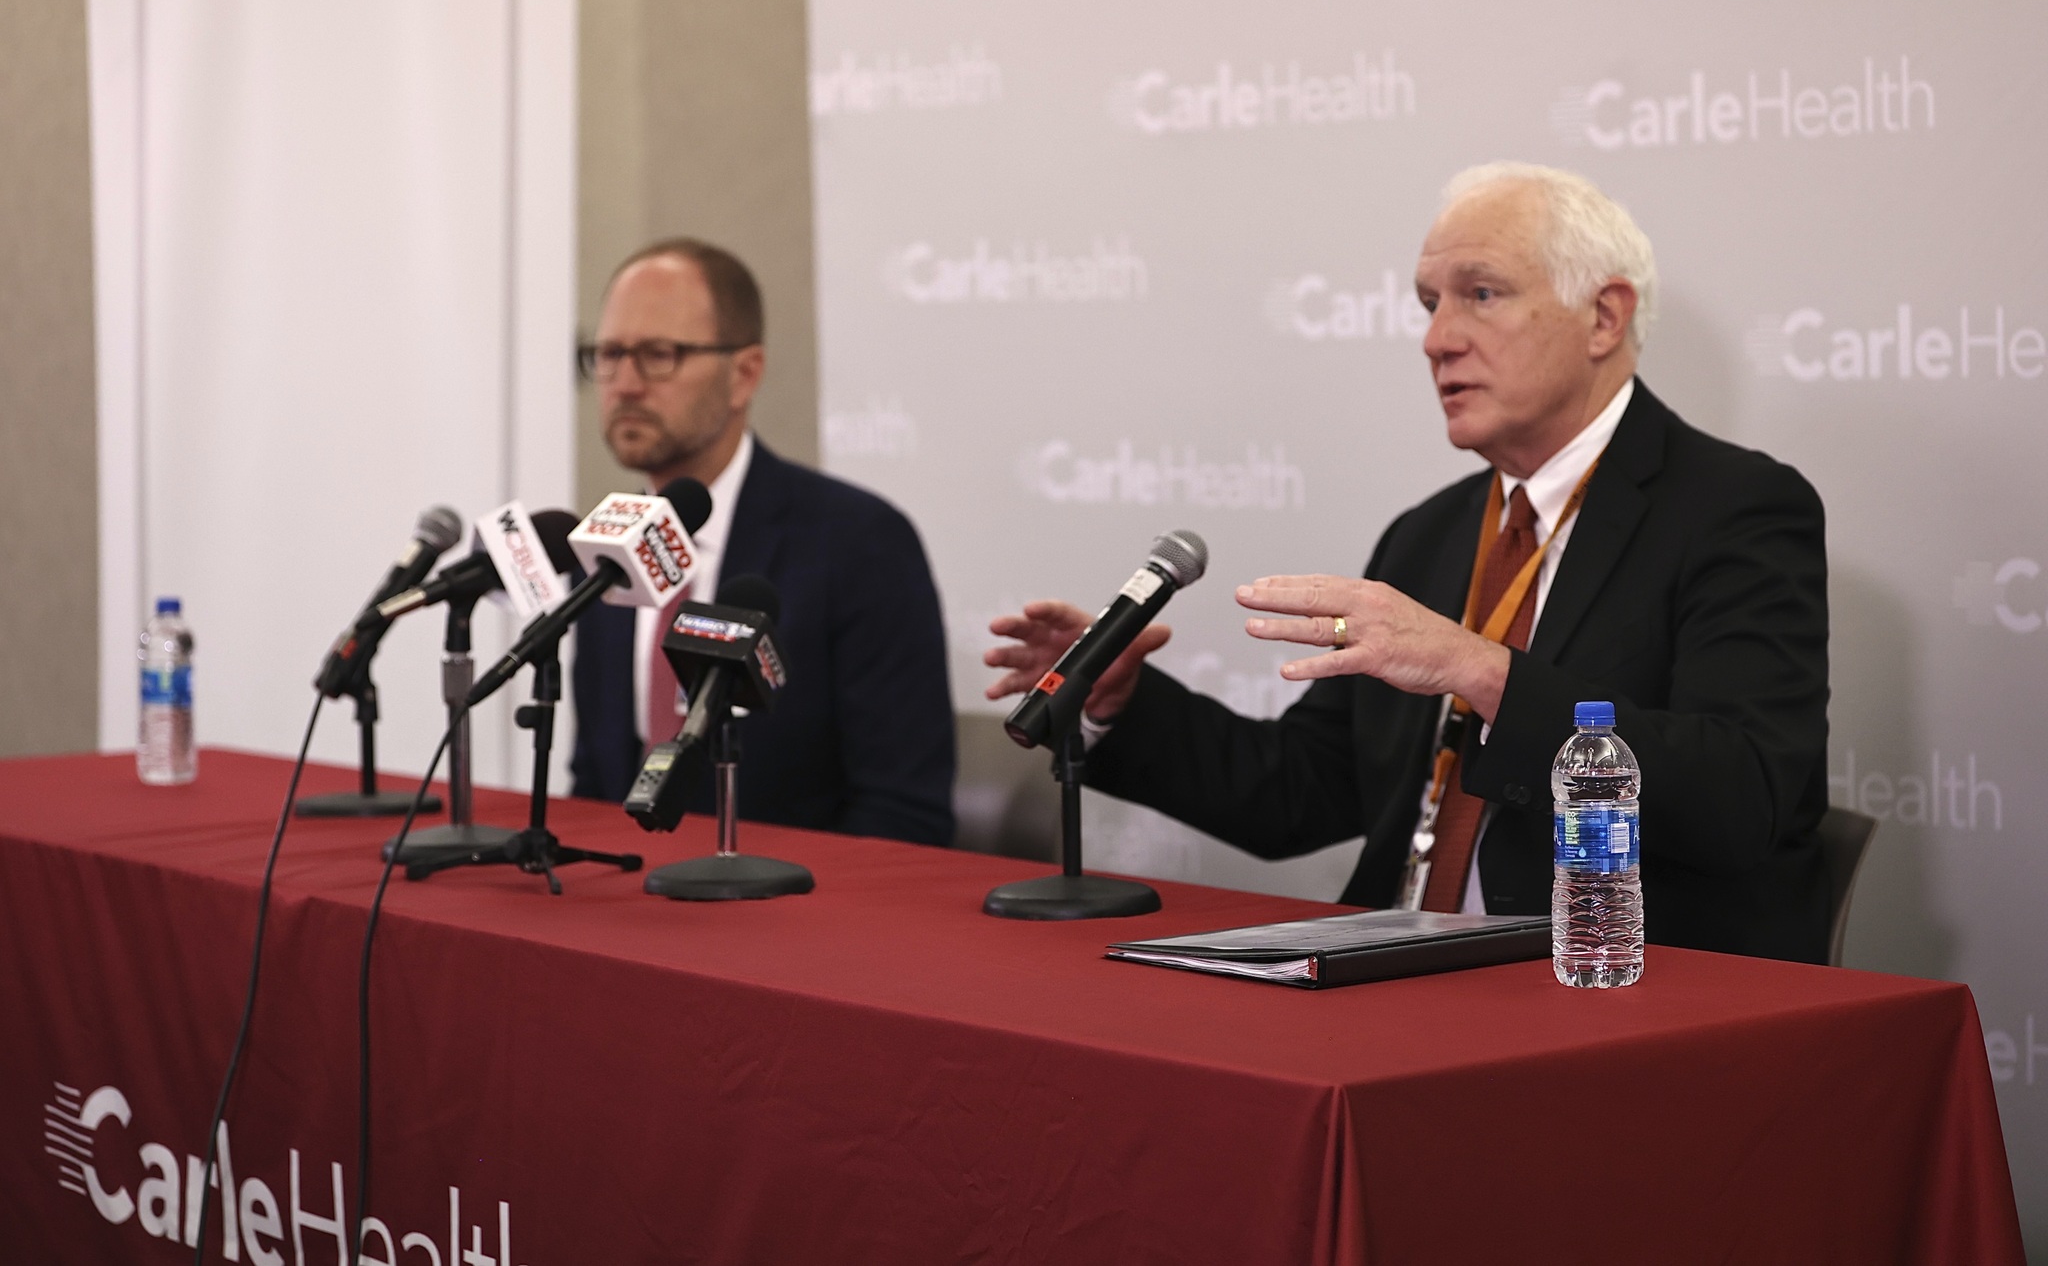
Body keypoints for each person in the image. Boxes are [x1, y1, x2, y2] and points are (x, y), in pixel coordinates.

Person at [984, 163, 1831, 962]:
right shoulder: (1430, 534)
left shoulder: (1735, 509)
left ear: (1604, 318)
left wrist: (1483, 670)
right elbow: (1302, 791)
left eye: (1481, 294)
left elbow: (1743, 795)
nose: (1437, 338)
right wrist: (1124, 702)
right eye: (1429, 303)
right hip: (1395, 975)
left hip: (1604, 984)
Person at [571, 237, 955, 846]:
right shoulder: (606, 551)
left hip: (794, 896)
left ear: (744, 374)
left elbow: (902, 814)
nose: (626, 384)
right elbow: (594, 784)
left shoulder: (859, 543)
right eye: (610, 354)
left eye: (660, 355)